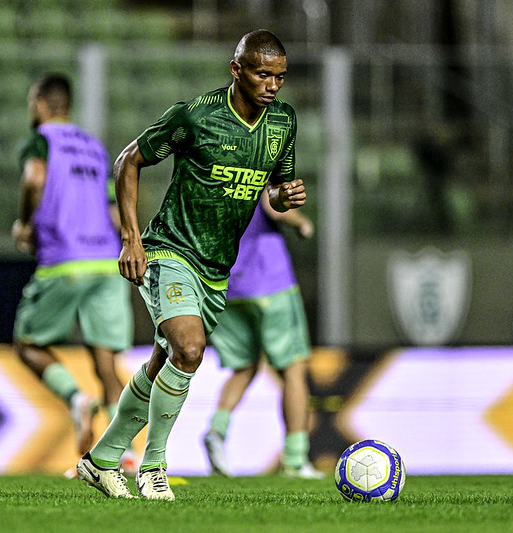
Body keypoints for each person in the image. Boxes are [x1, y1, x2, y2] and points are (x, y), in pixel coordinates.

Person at [75, 30, 307, 500]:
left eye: (280, 77)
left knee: (167, 361)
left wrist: (285, 197)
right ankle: (153, 466)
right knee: (190, 347)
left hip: (217, 268)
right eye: (263, 74)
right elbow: (128, 161)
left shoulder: (283, 123)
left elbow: (273, 192)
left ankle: (100, 461)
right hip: (169, 251)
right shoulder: (195, 116)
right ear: (236, 69)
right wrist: (131, 238)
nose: (273, 85)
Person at [11, 73, 134, 460]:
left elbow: (33, 179)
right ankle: (125, 453)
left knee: (28, 344)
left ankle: (76, 399)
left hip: (65, 259)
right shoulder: (95, 147)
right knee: (106, 362)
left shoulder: (41, 140)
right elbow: (115, 211)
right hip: (106, 260)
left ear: (41, 104)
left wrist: (25, 223)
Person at [203, 192, 323, 479]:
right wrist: (301, 222)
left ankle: (216, 431)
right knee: (294, 369)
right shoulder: (262, 155)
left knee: (244, 367)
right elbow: (274, 205)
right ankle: (295, 460)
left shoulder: (216, 167)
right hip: (270, 281)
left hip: (228, 284)